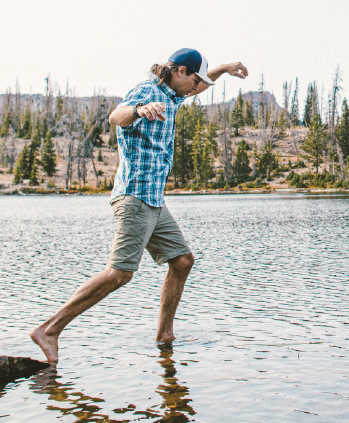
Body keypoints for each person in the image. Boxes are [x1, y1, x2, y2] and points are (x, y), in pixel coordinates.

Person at [30, 48, 248, 363]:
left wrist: (224, 69)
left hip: (153, 200)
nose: (195, 87)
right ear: (181, 71)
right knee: (119, 273)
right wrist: (140, 110)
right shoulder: (147, 90)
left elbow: (200, 88)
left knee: (183, 261)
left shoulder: (172, 94)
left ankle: (164, 335)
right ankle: (49, 329)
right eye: (194, 79)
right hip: (134, 196)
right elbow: (116, 117)